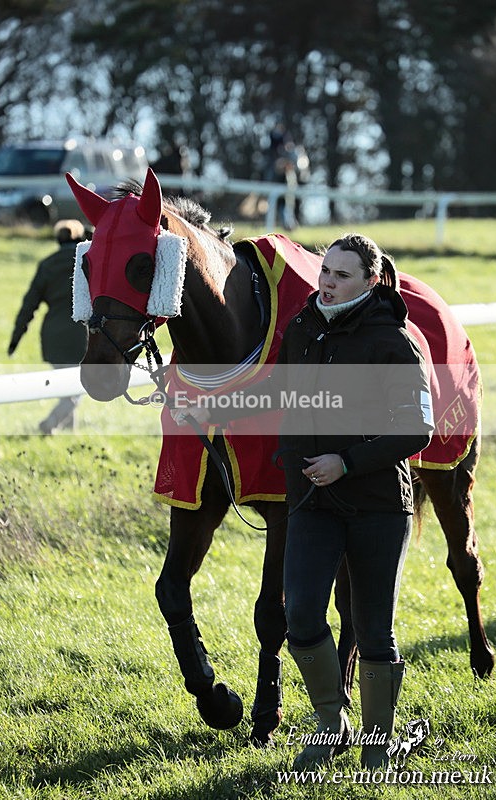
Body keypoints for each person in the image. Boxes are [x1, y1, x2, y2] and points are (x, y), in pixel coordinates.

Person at [172, 233, 434, 769]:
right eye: (325, 272)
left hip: (378, 507)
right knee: (302, 619)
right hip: (312, 503)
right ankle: (331, 726)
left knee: (373, 631)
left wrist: (347, 462)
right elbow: (277, 391)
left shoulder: (394, 342)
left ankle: (378, 744)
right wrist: (210, 408)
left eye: (342, 275)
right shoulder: (302, 327)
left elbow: (418, 429)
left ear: (371, 281)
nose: (328, 283)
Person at [8, 219, 88, 434]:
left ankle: (68, 433)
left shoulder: (48, 265)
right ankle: (50, 424)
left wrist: (15, 340)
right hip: (83, 334)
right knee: (77, 387)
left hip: (54, 336)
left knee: (68, 386)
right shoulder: (88, 262)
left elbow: (28, 306)